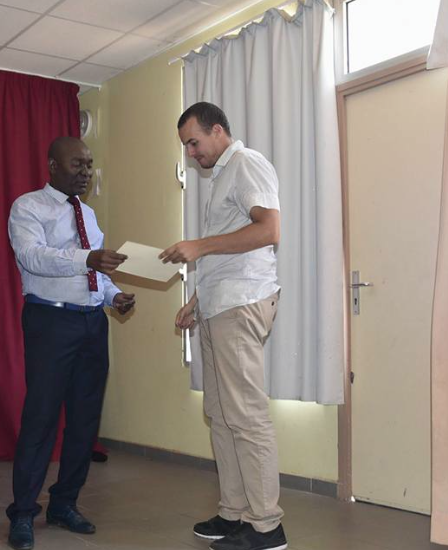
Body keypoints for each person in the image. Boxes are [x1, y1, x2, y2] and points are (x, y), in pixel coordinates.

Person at [160, 102, 287, 550]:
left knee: (246, 417)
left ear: (218, 131)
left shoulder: (247, 163)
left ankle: (266, 526)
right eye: (186, 146)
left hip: (242, 304)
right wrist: (196, 301)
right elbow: (226, 253)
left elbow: (268, 231)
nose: (191, 153)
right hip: (218, 306)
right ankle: (234, 513)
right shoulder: (222, 178)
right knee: (221, 416)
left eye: (194, 142)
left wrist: (199, 245)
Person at [5, 136, 135, 550]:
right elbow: (32, 256)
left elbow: (96, 272)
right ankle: (23, 512)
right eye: (77, 164)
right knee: (41, 417)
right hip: (51, 321)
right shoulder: (28, 207)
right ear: (52, 166)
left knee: (84, 420)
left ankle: (64, 503)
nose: (86, 172)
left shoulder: (89, 214)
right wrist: (87, 259)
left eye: (89, 165)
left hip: (92, 323)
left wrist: (114, 296)